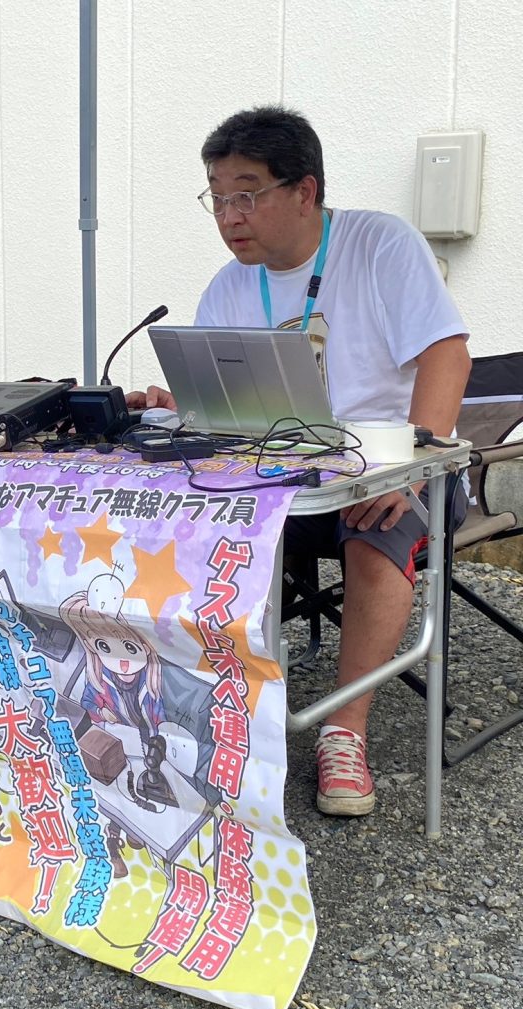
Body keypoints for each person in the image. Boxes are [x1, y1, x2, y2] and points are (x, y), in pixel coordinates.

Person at [132, 105, 471, 817]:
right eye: (217, 198)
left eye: (246, 194)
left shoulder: (380, 245)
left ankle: (344, 732)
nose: (229, 217)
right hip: (284, 480)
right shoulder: (230, 284)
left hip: (392, 470)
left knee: (375, 532)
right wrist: (173, 402)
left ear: (305, 191)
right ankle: (216, 714)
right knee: (190, 532)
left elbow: (447, 356)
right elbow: (224, 406)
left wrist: (415, 464)